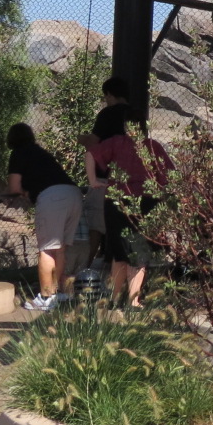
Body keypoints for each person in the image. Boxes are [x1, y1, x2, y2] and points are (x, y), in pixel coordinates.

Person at [87, 106, 171, 309]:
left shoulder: (116, 143)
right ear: (144, 126)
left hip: (116, 202)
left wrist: (93, 181)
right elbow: (167, 176)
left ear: (126, 126)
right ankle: (133, 300)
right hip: (145, 203)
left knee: (118, 253)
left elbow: (90, 154)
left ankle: (116, 299)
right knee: (138, 253)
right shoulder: (153, 146)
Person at [4, 123, 83, 312]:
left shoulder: (18, 153)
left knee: (47, 249)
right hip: (74, 194)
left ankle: (46, 297)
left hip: (52, 197)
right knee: (61, 248)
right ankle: (61, 293)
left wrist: (22, 193)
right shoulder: (40, 152)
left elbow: (14, 188)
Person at [81, 77, 135, 267]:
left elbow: (94, 142)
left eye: (106, 96)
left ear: (110, 95)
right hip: (131, 178)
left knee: (97, 223)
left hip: (105, 176)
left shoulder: (108, 113)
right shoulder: (137, 114)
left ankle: (87, 265)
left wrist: (83, 139)